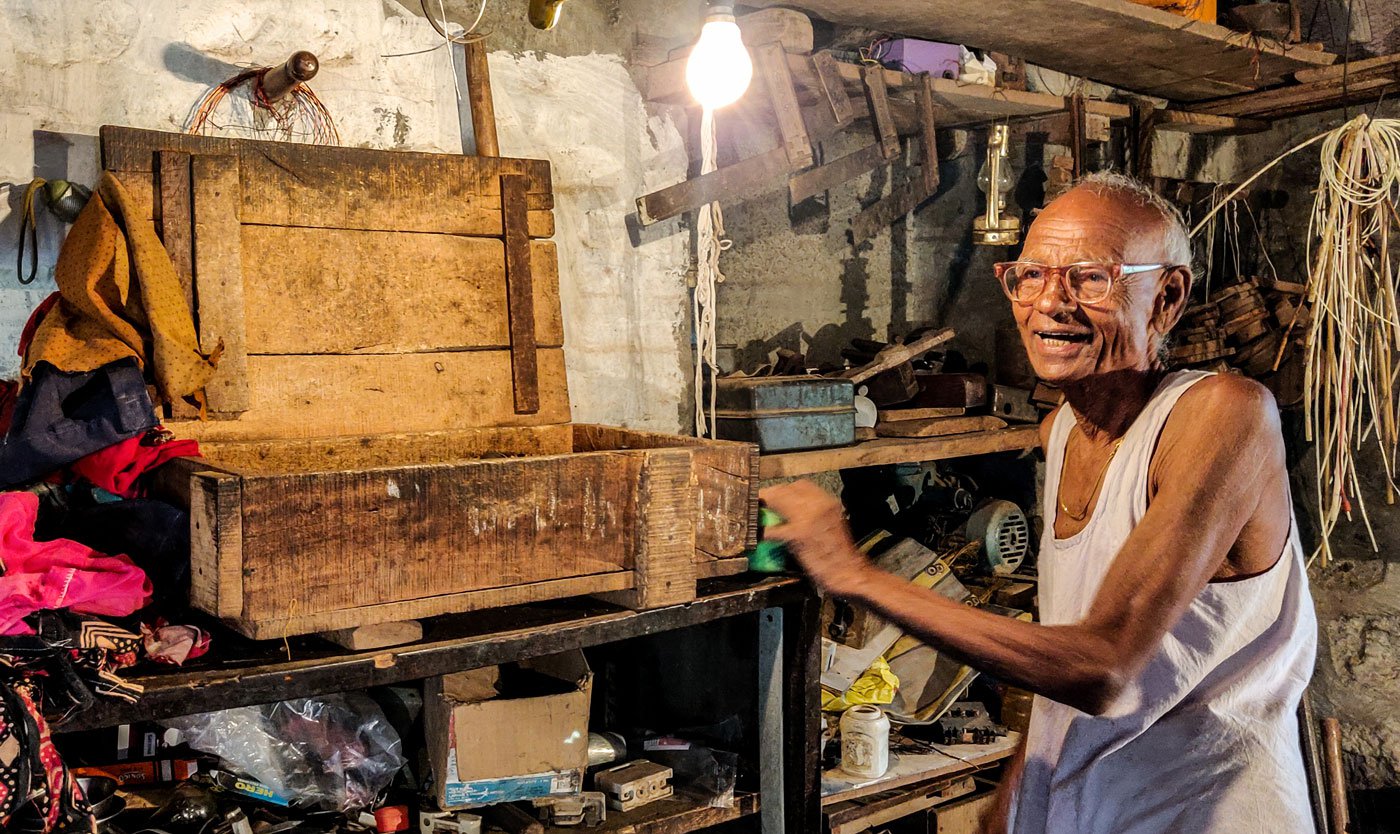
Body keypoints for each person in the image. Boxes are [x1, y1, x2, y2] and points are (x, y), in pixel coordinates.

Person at [760, 173, 1317, 834]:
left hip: (1200, 815)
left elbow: (1101, 668)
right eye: (1029, 276)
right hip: (1084, 810)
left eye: (1090, 278)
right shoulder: (1059, 432)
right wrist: (1013, 805)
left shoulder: (1223, 415)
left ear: (1166, 297)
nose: (1049, 303)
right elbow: (1062, 658)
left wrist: (855, 575)